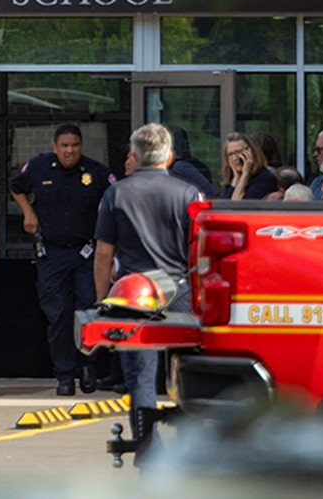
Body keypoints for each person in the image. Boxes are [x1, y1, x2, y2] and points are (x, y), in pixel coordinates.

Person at [93, 123, 201, 459]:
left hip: (134, 294)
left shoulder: (116, 193)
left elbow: (103, 254)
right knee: (188, 371)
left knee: (140, 375)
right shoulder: (188, 193)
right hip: (178, 290)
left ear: (135, 156)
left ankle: (145, 443)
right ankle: (192, 445)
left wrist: (101, 301)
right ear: (169, 156)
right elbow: (200, 249)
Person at [10, 123, 115, 396]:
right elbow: (16, 186)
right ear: (55, 147)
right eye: (64, 146)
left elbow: (116, 198)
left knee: (88, 312)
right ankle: (64, 375)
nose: (70, 151)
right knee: (58, 315)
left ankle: (88, 366)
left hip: (86, 253)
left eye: (75, 145)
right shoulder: (39, 167)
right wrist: (28, 213)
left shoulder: (96, 172)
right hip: (53, 254)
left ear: (81, 146)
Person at [219, 132, 277, 200]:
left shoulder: (265, 178)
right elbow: (225, 207)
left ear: (251, 152)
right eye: (230, 154)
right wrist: (236, 178)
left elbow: (237, 206)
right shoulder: (231, 181)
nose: (235, 158)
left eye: (238, 152)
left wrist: (245, 174)